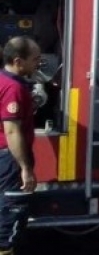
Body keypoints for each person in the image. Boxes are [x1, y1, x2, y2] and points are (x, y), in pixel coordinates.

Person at [0, 37, 39, 254]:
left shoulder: (4, 80)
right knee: (11, 209)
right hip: (9, 159)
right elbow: (12, 131)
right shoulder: (13, 88)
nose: (38, 64)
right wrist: (26, 168)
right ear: (18, 61)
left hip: (4, 157)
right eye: (35, 60)